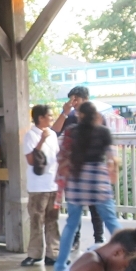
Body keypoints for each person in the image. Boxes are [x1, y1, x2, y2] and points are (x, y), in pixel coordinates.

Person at [53, 102, 122, 271]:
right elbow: (112, 158)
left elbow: (61, 154)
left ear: (80, 115)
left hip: (77, 179)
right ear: (95, 115)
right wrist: (113, 172)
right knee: (111, 220)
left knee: (71, 223)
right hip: (98, 178)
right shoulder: (104, 131)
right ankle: (130, 255)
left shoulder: (71, 132)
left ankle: (60, 263)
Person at [52, 85, 105, 248]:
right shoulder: (70, 117)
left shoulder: (98, 117)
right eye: (71, 99)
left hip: (93, 168)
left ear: (86, 99)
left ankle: (99, 239)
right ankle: (75, 239)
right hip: (74, 169)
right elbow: (55, 131)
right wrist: (64, 112)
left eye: (76, 99)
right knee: (75, 207)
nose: (73, 103)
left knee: (95, 207)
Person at [21, 105, 59, 267]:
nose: (51, 118)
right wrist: (42, 139)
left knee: (53, 220)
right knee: (36, 220)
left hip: (53, 183)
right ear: (40, 118)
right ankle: (35, 254)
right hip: (38, 186)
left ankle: (53, 254)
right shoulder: (30, 135)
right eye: (49, 116)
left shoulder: (54, 134)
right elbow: (31, 160)